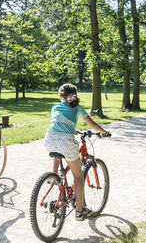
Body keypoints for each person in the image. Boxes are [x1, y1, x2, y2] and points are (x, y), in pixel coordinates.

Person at [44, 83, 110, 221]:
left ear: (59, 95)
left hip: (49, 140)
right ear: (75, 94)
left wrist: (73, 129)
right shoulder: (77, 108)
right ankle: (79, 212)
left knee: (57, 151)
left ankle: (55, 176)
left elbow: (60, 124)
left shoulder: (54, 107)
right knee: (78, 176)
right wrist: (104, 132)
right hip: (66, 142)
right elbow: (91, 124)